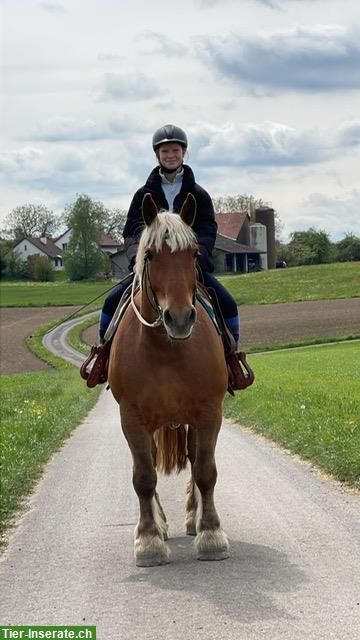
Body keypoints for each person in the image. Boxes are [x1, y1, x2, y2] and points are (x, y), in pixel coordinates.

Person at [99, 124, 240, 348]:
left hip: (188, 265)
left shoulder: (199, 194)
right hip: (153, 265)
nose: (170, 155)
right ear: (157, 155)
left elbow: (207, 230)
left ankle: (232, 360)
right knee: (110, 302)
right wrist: (139, 258)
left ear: (184, 152)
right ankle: (104, 356)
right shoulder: (143, 195)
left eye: (175, 150)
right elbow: (131, 233)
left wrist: (197, 257)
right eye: (165, 151)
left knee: (228, 304)